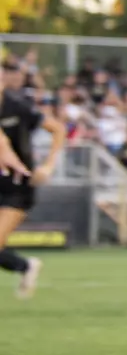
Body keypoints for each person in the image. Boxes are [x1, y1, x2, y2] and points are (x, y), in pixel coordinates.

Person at [1, 57, 66, 299]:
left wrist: (48, 166)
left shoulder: (18, 106)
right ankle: (25, 266)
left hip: (17, 185)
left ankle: (25, 266)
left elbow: (58, 129)